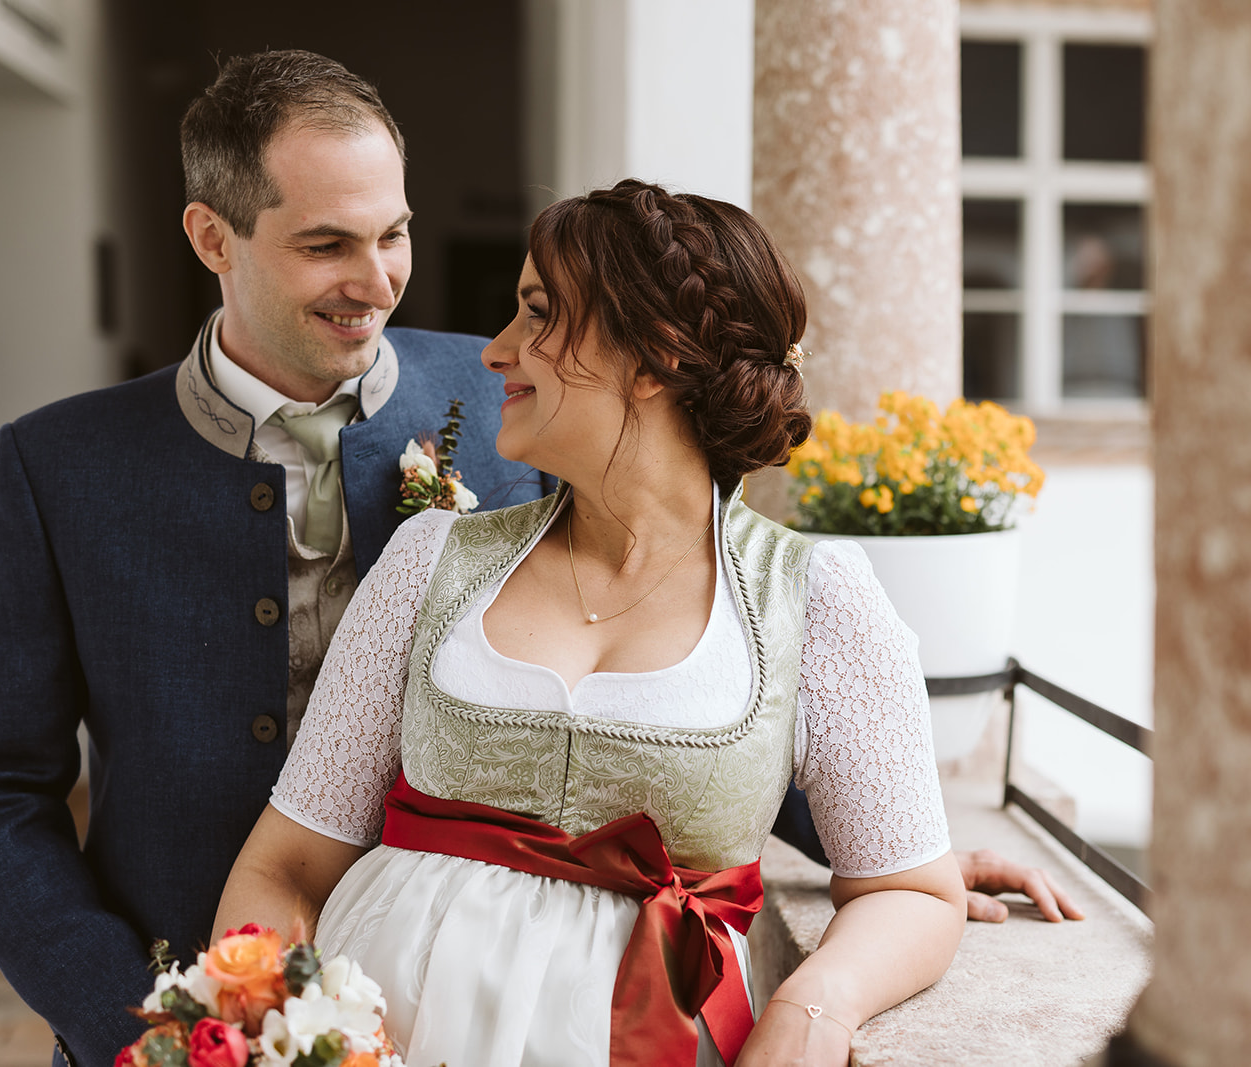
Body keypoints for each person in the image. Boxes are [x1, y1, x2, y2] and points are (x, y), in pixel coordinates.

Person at [0, 48, 1074, 1067]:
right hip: (181, 999)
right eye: (326, 244)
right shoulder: (62, 467)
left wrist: (886, 847)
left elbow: (660, 635)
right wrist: (149, 1026)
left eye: (391, 232)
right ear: (213, 239)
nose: (379, 278)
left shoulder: (499, 407)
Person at [210, 179, 1023, 1067]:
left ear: (653, 359)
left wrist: (811, 1010)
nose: (497, 352)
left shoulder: (816, 600)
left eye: (538, 314)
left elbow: (913, 889)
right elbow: (287, 865)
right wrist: (257, 1034)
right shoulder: (428, 561)